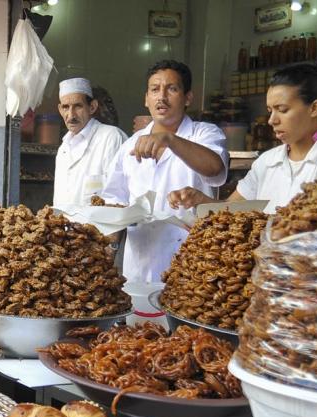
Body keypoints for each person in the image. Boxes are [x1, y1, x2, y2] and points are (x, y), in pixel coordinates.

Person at [168, 58, 317, 213]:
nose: (271, 120)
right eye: (270, 110)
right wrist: (201, 200)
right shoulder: (268, 161)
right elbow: (230, 211)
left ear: (314, 108)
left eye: (282, 110)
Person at [102, 60, 229, 283]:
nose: (161, 97)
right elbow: (114, 203)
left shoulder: (204, 134)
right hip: (140, 266)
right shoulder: (128, 146)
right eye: (155, 89)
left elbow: (215, 169)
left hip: (193, 264)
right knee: (142, 318)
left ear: (188, 97)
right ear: (146, 98)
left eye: (172, 88)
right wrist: (107, 252)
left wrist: (169, 139)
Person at [52, 77, 128, 209]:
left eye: (78, 106)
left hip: (100, 228)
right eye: (66, 107)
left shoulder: (111, 137)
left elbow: (119, 199)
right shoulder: (63, 149)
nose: (71, 115)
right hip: (66, 228)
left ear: (92, 107)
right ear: (60, 109)